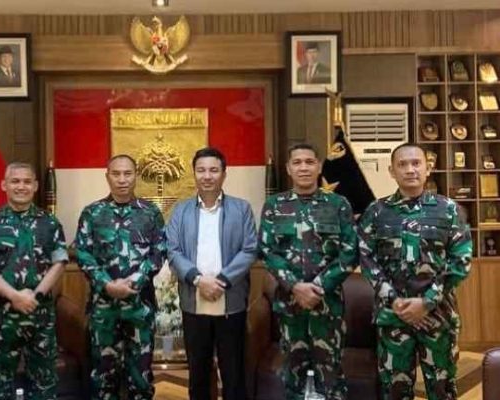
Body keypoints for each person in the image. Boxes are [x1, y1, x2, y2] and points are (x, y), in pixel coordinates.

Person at [358, 143, 472, 400]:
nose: (410, 170)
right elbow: (367, 259)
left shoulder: (448, 210)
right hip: (393, 317)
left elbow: (460, 261)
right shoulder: (376, 212)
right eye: (402, 164)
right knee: (395, 390)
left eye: (416, 163)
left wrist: (426, 302)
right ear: (392, 171)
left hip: (438, 316)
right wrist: (395, 302)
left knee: (442, 390)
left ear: (427, 168)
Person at [258, 143, 357, 400]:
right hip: (289, 305)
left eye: (310, 162)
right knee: (293, 373)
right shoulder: (274, 205)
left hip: (328, 305)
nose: (304, 167)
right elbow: (267, 251)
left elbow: (350, 252)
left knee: (331, 375)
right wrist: (295, 286)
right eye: (297, 162)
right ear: (288, 168)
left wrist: (319, 287)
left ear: (319, 167)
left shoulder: (338, 204)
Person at [166, 147, 257, 400]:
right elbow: (172, 250)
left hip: (231, 302)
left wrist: (222, 281)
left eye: (214, 170)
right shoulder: (181, 211)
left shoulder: (241, 209)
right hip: (194, 302)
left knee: (233, 373)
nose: (207, 176)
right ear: (194, 174)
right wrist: (198, 279)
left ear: (224, 174)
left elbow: (250, 249)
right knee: (198, 374)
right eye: (201, 170)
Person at [0, 162, 68, 400]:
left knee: (44, 385)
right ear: (4, 185)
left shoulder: (50, 223)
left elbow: (59, 263)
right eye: (15, 181)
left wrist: (35, 296)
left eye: (27, 181)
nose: (21, 186)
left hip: (40, 315)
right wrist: (14, 296)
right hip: (1, 317)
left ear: (35, 186)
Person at [75, 154, 165, 400]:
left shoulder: (150, 213)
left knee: (141, 378)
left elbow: (159, 252)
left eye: (127, 174)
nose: (122, 179)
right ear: (107, 177)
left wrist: (135, 281)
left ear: (136, 176)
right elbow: (83, 253)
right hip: (104, 308)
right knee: (103, 378)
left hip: (139, 307)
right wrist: (106, 284)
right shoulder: (92, 213)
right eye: (116, 174)